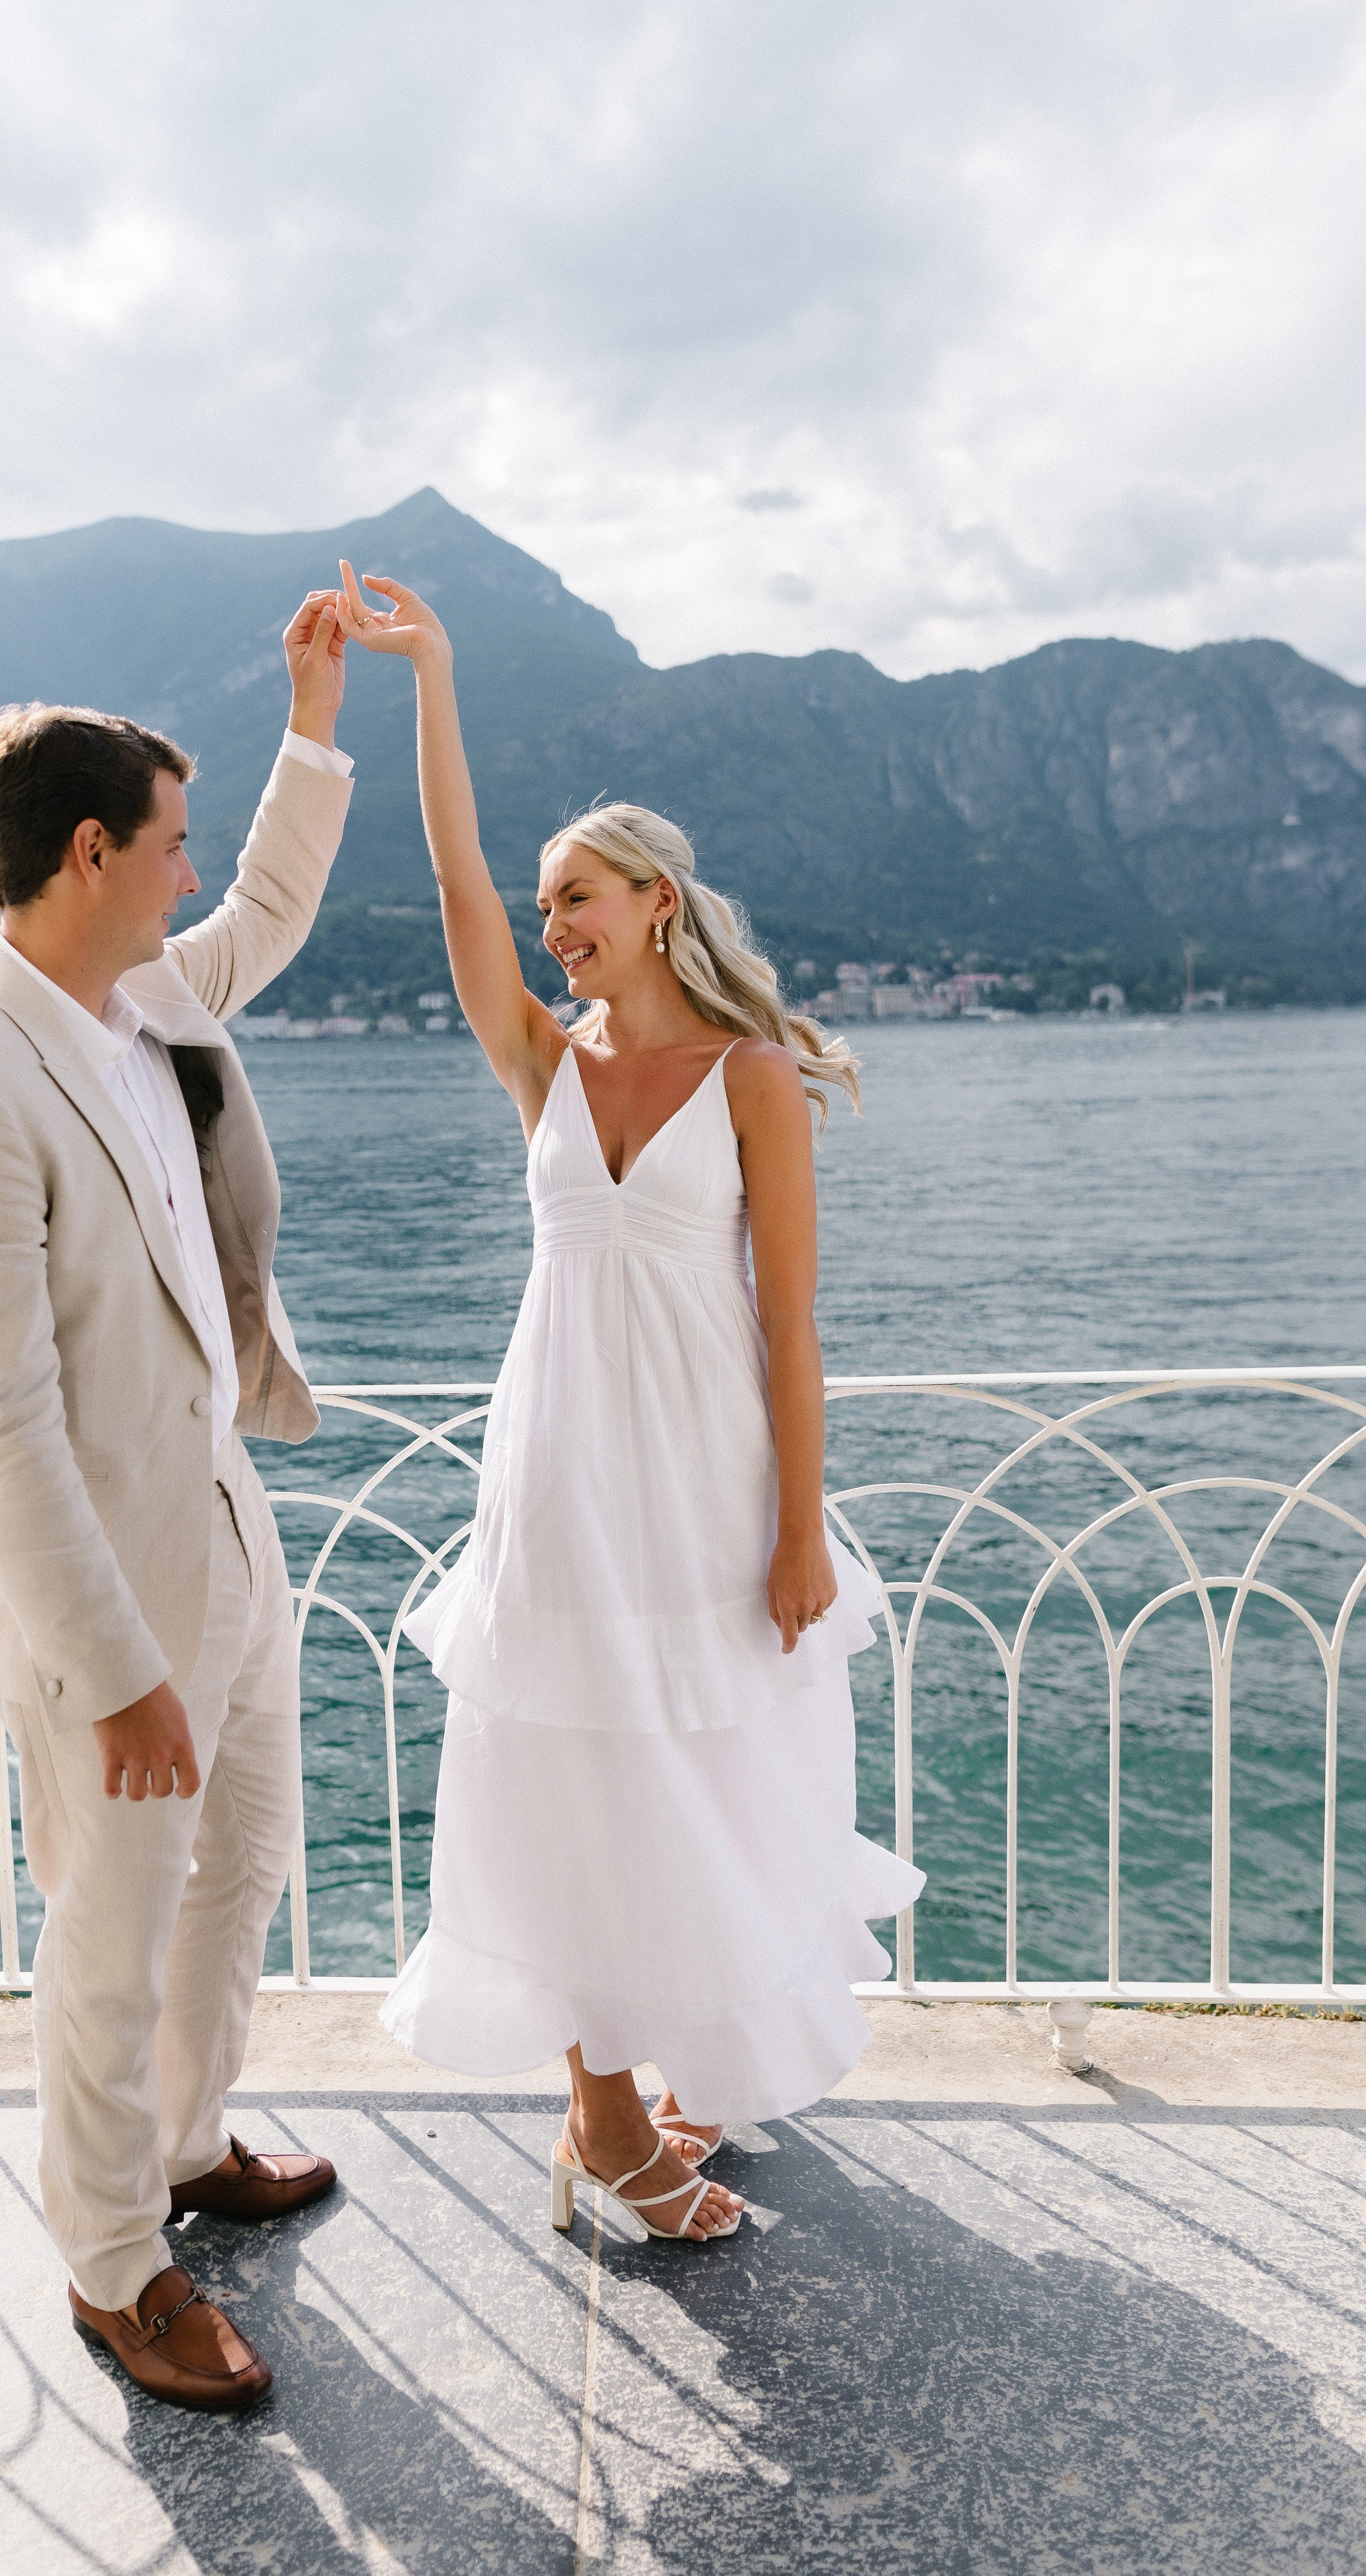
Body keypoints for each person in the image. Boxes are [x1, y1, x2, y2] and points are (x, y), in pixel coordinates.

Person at [335, 560, 925, 2244]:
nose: (552, 923)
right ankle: (597, 2113)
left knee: (710, 1779)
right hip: (556, 1473)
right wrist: (431, 674)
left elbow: (790, 1326)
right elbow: (451, 878)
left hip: (704, 1477)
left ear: (657, 901)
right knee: (563, 1777)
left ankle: (679, 2066)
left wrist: (798, 1532)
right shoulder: (544, 1059)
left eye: (578, 896)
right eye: (545, 907)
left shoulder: (751, 1078)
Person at [0, 594, 356, 2411]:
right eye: (169, 841)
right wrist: (117, 1669)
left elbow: (273, 910)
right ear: (90, 852)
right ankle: (111, 2264)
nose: (190, 873)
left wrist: (312, 717)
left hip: (224, 1531)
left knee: (244, 1866)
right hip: (110, 1604)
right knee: (108, 1935)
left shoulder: (137, 994)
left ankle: (185, 2141)